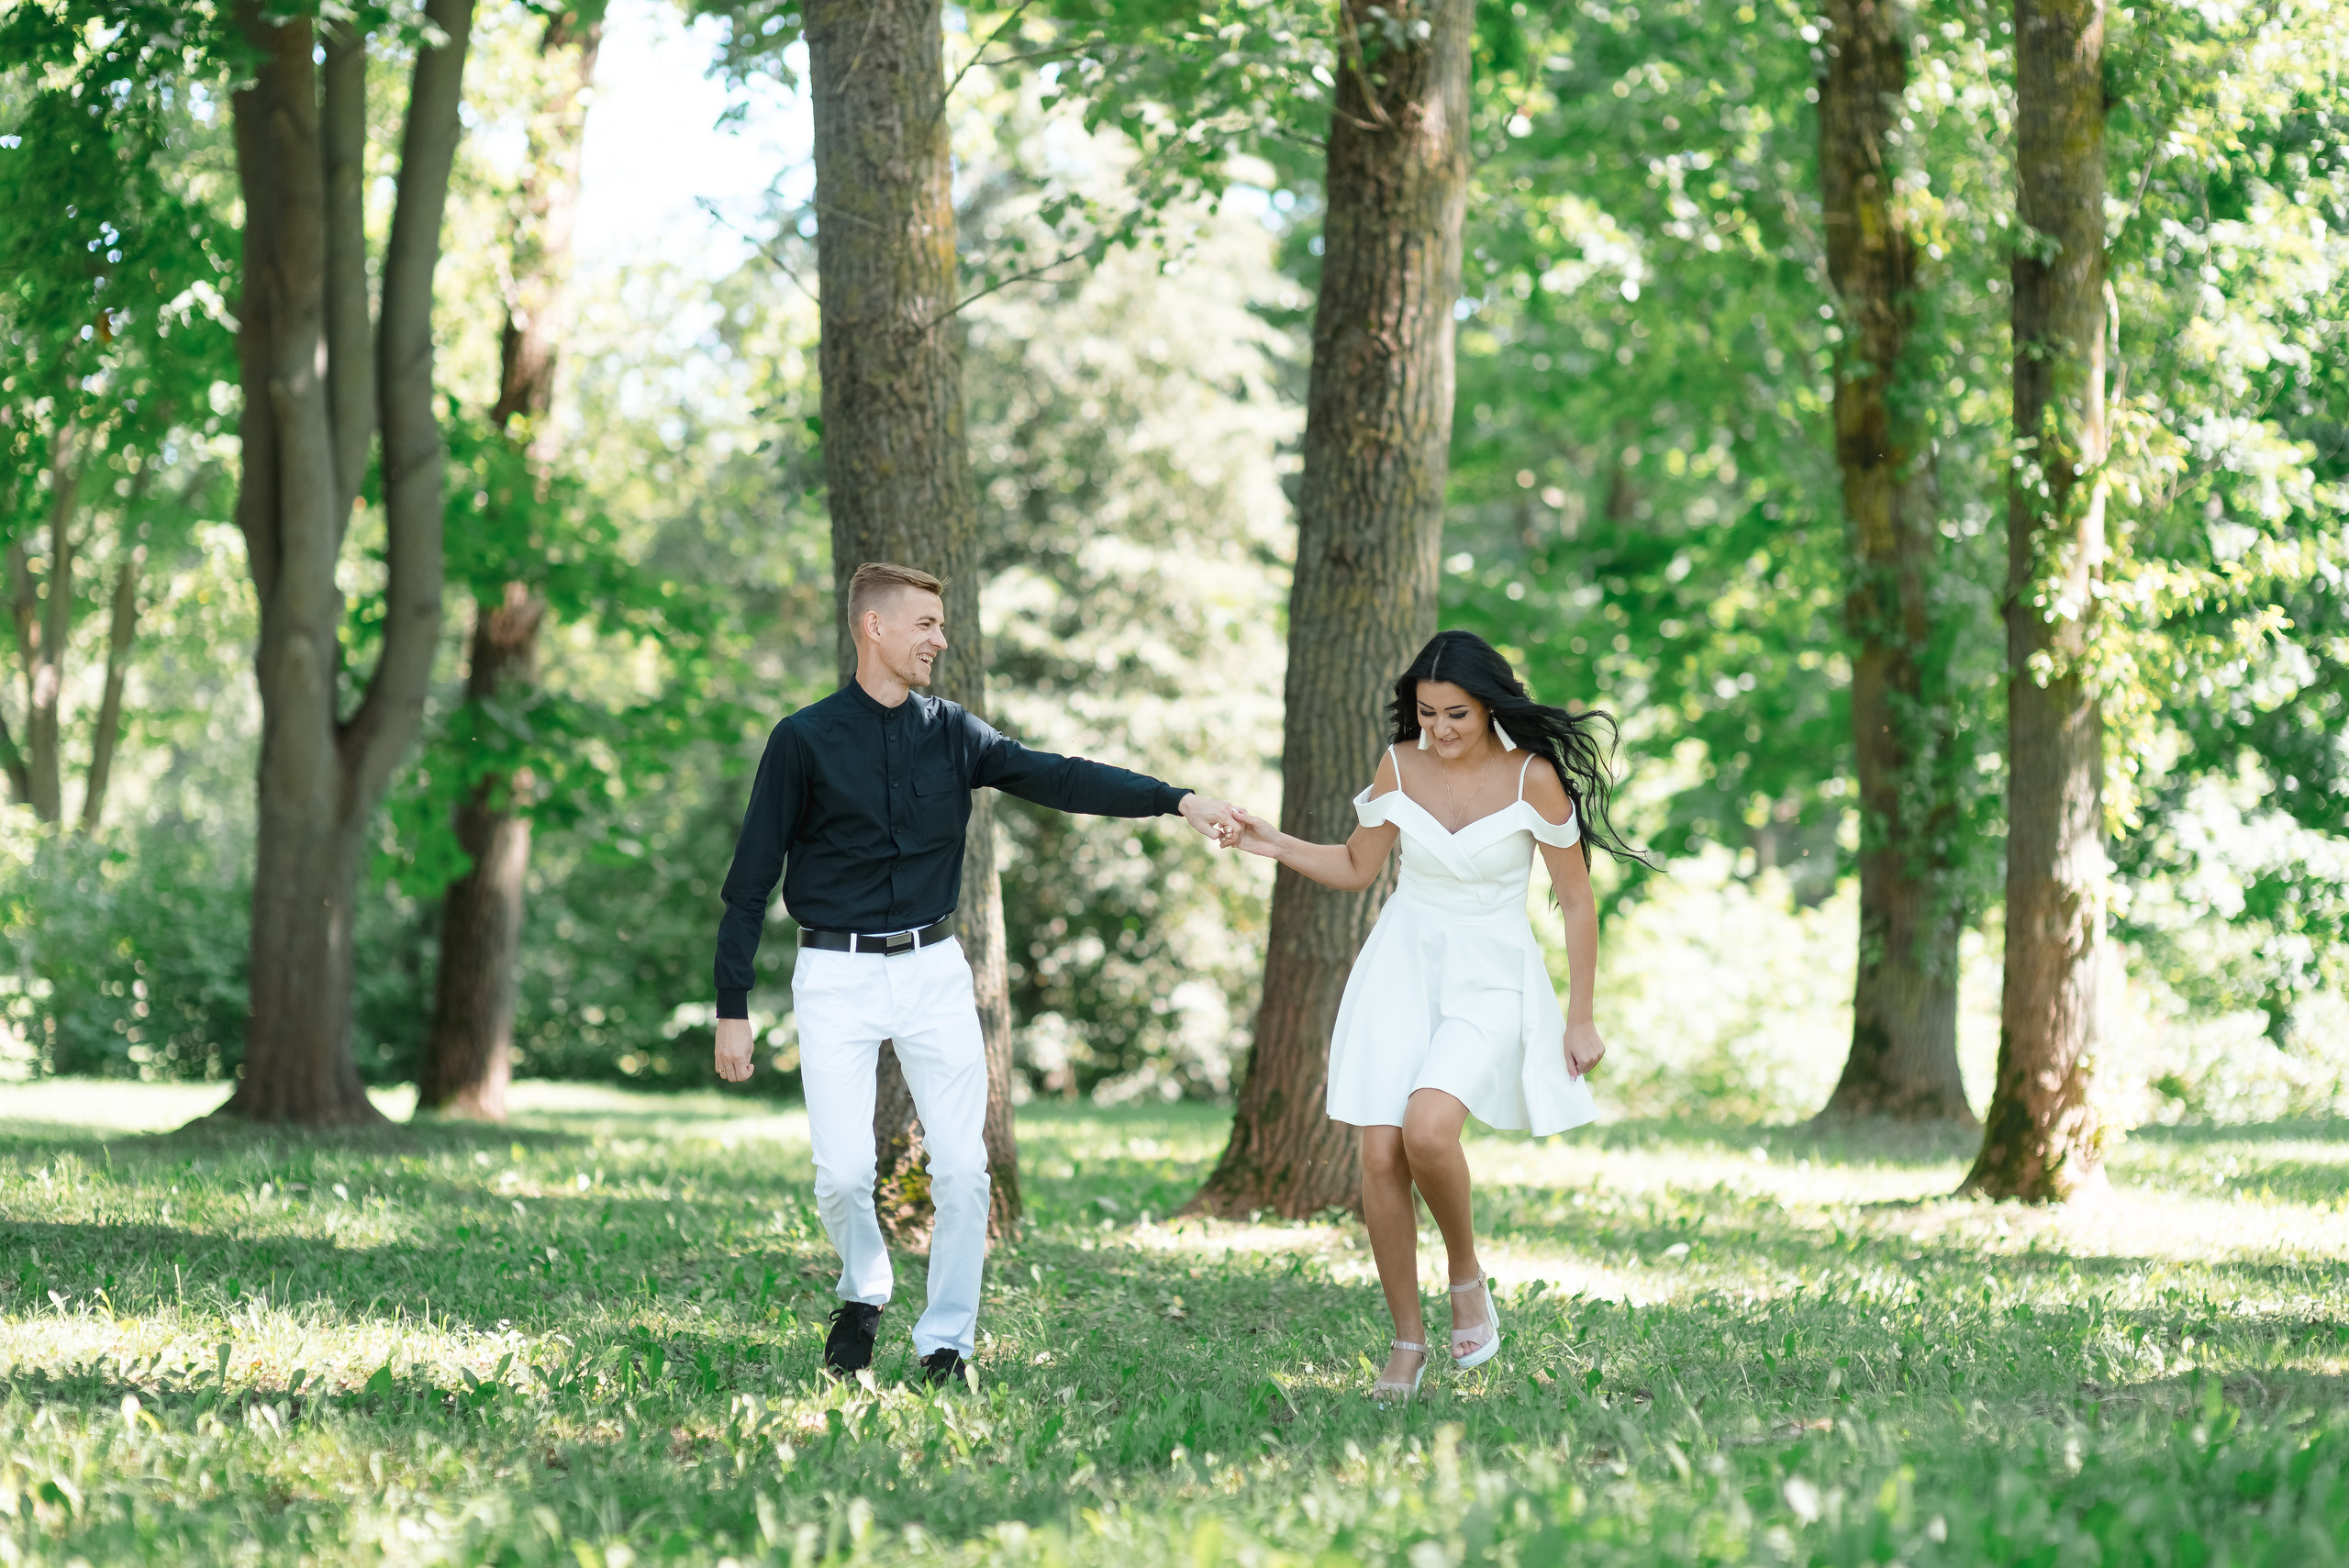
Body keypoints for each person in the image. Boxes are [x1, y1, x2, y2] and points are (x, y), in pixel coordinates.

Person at [712, 562, 1241, 1387]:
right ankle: (862, 1291)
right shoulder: (803, 738)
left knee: (963, 1167)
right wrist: (730, 1002)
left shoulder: (955, 731)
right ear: (873, 628)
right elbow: (750, 878)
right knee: (844, 1172)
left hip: (932, 968)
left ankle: (945, 1341)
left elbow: (1061, 776)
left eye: (942, 622)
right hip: (835, 971)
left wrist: (1177, 800)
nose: (940, 638)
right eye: (924, 622)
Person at [1230, 629, 1641, 1403]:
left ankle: (1465, 1276)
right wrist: (1271, 842)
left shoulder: (1533, 779)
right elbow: (1357, 867)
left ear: (1489, 707)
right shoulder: (1399, 764)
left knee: (1427, 1129)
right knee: (1380, 1156)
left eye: (1456, 714)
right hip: (1400, 969)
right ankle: (1406, 1343)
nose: (1441, 730)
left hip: (1491, 977)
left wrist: (1580, 1017)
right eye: (1427, 714)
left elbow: (1578, 901)